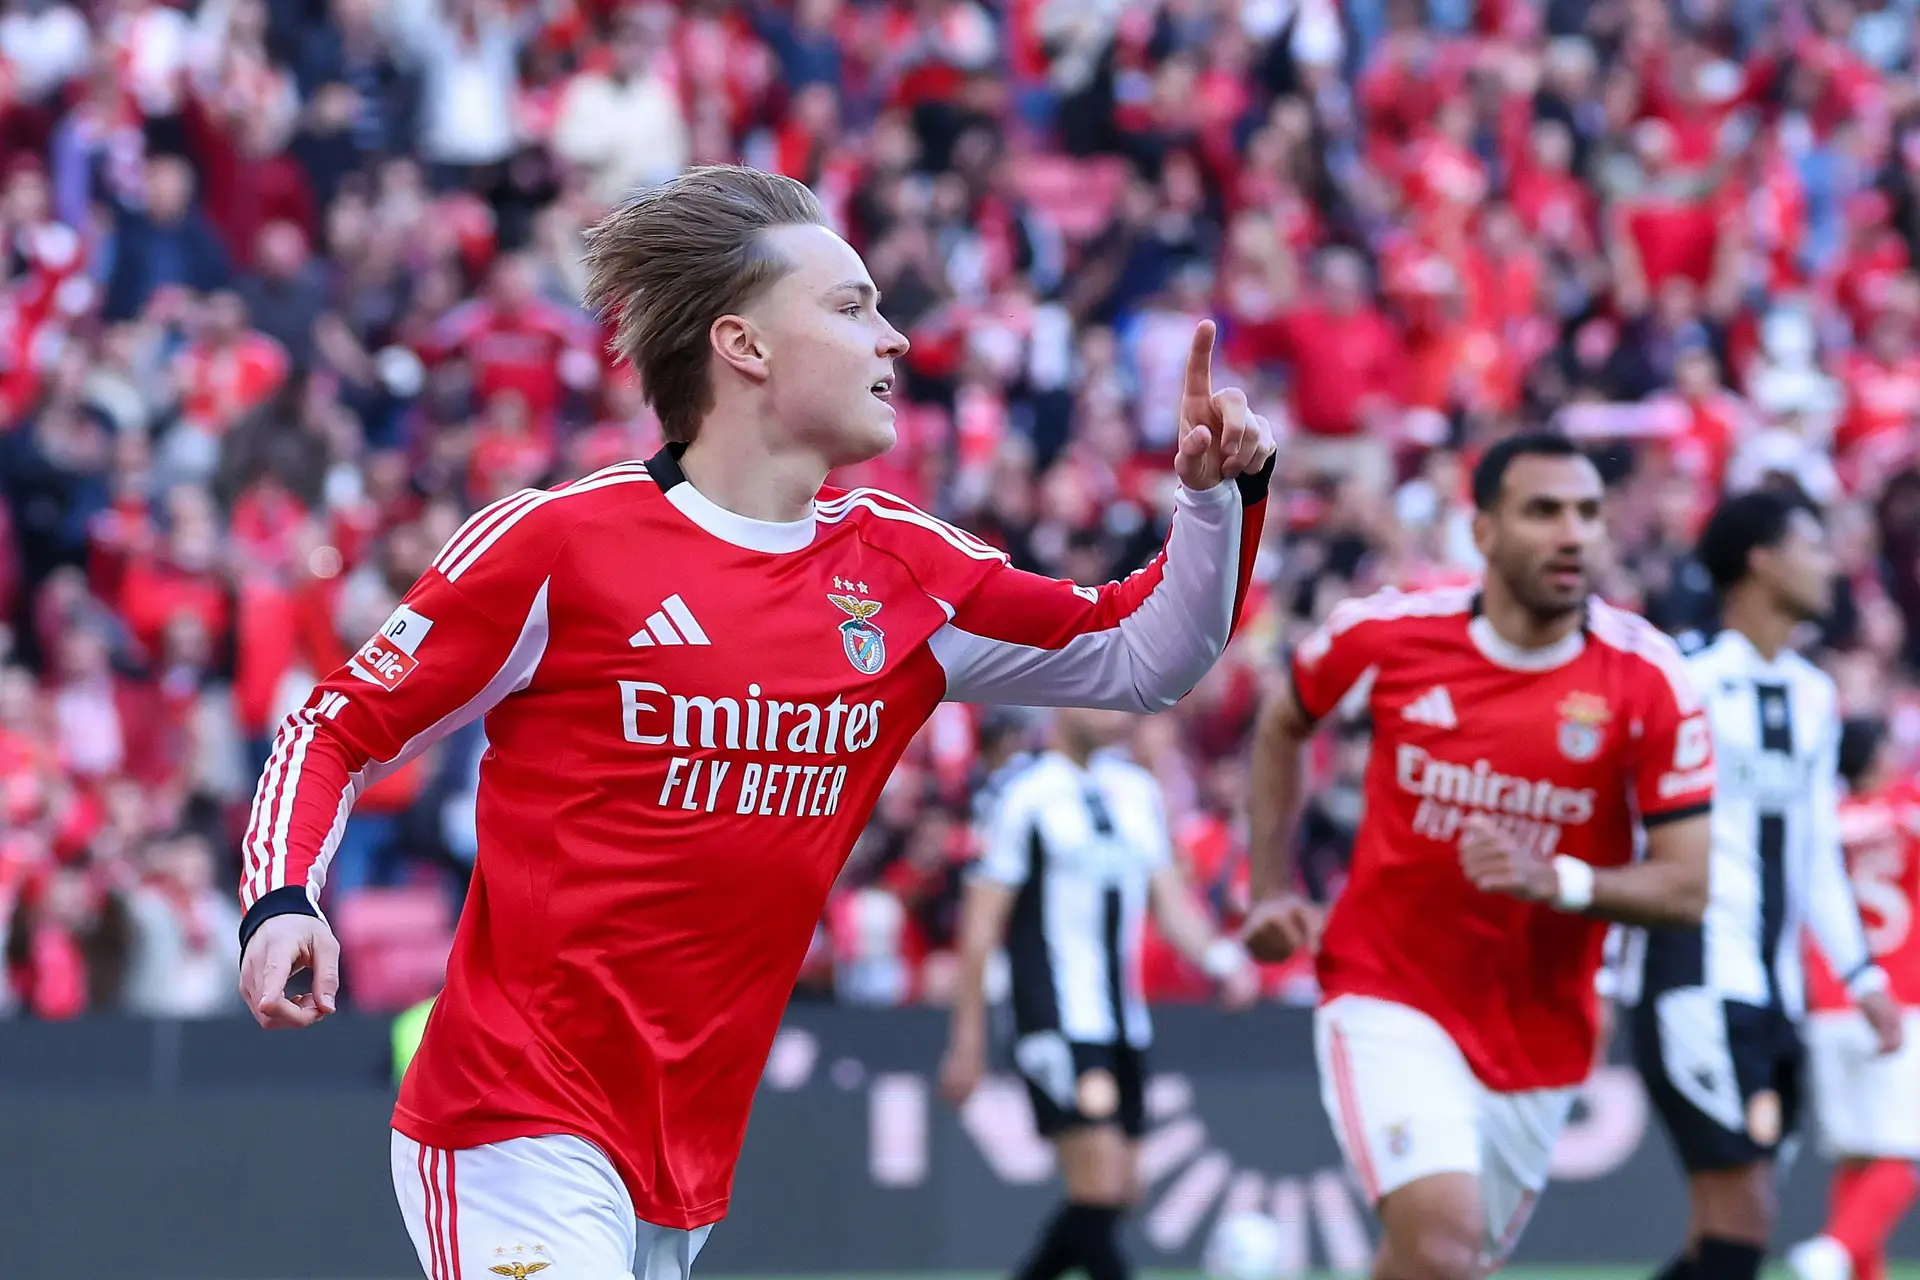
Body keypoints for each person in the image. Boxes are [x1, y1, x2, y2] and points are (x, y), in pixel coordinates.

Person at [232, 166, 1276, 1280]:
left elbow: (1142, 654)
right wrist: (283, 897)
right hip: (509, 1118)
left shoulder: (904, 570)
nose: (896, 340)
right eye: (850, 306)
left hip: (685, 1159)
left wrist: (1217, 502)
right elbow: (334, 727)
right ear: (744, 346)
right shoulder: (558, 544)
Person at [1242, 432, 1715, 1280]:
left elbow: (1686, 888)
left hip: (1541, 1029)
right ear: (1485, 532)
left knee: (1441, 1264)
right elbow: (1283, 721)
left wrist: (1557, 880)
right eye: (1543, 512)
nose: (1572, 534)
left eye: (1587, 514)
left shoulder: (1653, 683)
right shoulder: (1388, 636)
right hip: (1388, 989)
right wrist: (1270, 887)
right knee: (1446, 1246)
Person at [1631, 488, 1902, 1280]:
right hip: (1696, 981)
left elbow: (1816, 848)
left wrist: (1860, 974)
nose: (1830, 565)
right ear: (1761, 561)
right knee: (1743, 1220)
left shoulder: (1815, 698)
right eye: (1812, 545)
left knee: (1729, 1231)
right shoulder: (1685, 679)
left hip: (1780, 999)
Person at [938, 705, 1261, 1280]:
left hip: (1124, 1021)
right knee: (1102, 1181)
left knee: (1120, 1190)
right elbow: (981, 927)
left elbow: (1170, 903)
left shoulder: (1136, 790)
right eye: (1095, 696)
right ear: (1061, 701)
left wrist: (1224, 961)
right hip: (1057, 1019)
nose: (1113, 710)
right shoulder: (1022, 794)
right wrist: (968, 1042)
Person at [1788, 717, 1920, 1280]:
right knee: (1899, 1158)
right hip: (1899, 1000)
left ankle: (1850, 1265)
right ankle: (1834, 1250)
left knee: (1856, 1158)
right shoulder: (1909, 809)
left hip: (1830, 998)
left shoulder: (1823, 821)